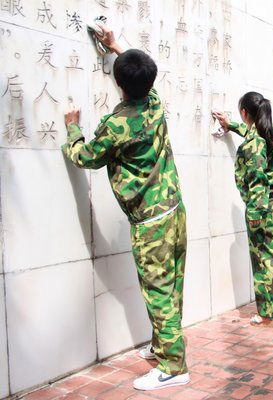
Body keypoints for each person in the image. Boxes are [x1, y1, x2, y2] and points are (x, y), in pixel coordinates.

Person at [62, 24, 189, 391]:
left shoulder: (117, 125)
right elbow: (140, 75)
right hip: (176, 212)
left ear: (119, 84)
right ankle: (165, 345)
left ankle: (174, 367)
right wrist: (117, 46)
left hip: (151, 223)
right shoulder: (155, 104)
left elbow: (84, 156)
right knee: (173, 285)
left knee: (158, 291)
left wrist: (72, 128)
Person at [212, 92, 273, 328]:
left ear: (245, 113)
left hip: (262, 206)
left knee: (263, 260)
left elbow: (257, 180)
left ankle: (266, 313)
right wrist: (231, 125)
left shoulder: (255, 143)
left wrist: (255, 213)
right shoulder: (269, 134)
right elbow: (252, 134)